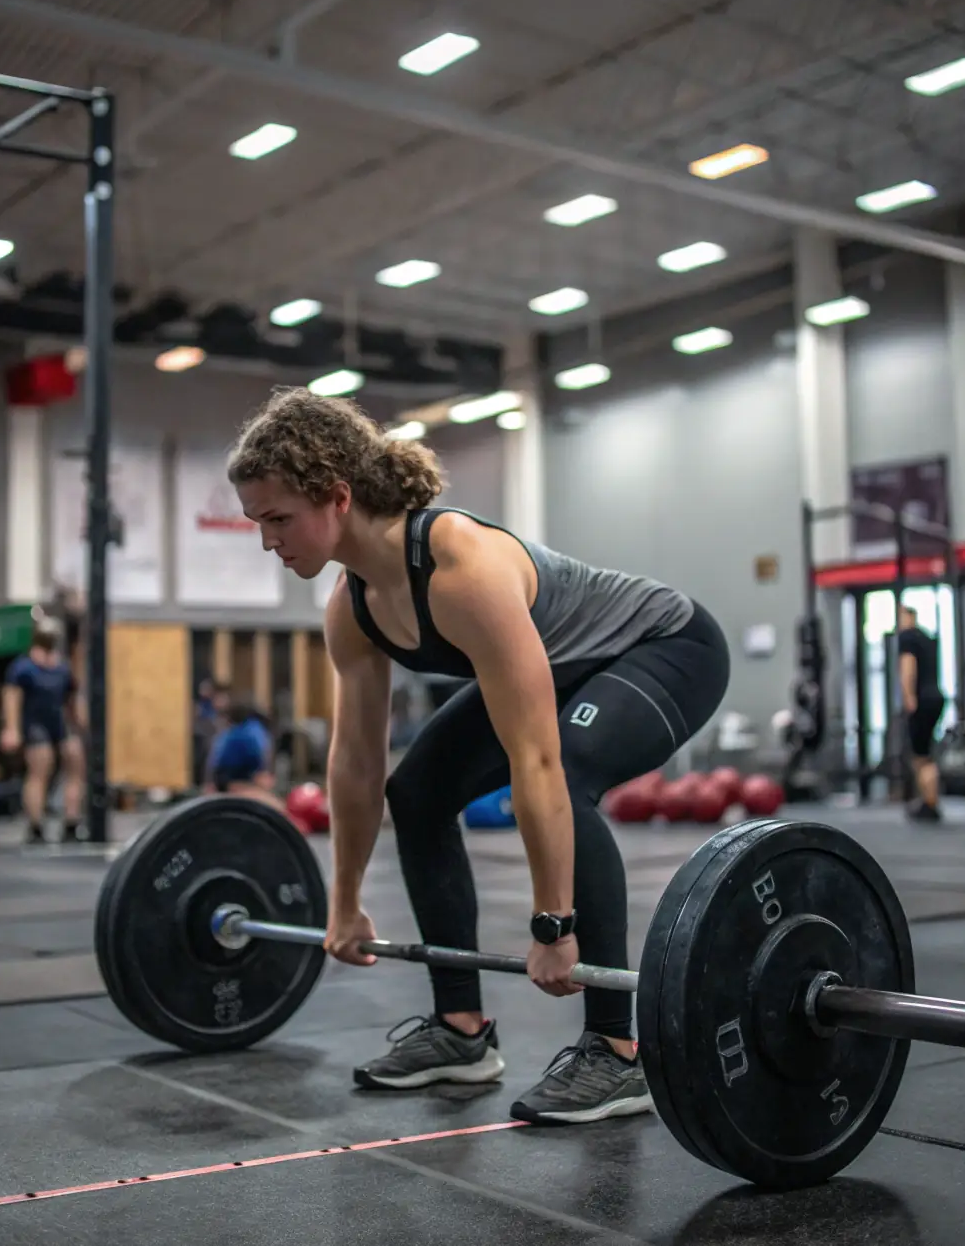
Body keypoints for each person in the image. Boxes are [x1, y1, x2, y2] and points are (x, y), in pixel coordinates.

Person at [227, 387, 730, 1125]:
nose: (270, 541)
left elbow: (540, 762)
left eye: (279, 518)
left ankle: (617, 1049)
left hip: (664, 648)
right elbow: (358, 765)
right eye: (257, 523)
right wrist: (344, 902)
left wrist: (553, 924)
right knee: (419, 789)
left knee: (574, 767)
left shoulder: (458, 566)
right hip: (565, 664)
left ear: (336, 496)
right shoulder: (352, 607)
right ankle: (461, 1032)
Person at [0, 622, 86, 844]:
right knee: (41, 765)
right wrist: (12, 729)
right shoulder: (23, 668)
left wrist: (79, 721)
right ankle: (36, 826)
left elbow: (71, 698)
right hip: (34, 722)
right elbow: (11, 697)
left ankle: (71, 823)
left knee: (75, 759)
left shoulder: (61, 667)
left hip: (58, 720)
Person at [897, 605, 945, 822]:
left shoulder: (907, 637)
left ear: (906, 617)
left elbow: (908, 668)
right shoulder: (926, 638)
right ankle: (930, 800)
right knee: (926, 754)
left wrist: (908, 698)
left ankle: (929, 802)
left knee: (920, 756)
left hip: (921, 700)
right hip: (936, 697)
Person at [203, 698, 286, 813]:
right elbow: (261, 769)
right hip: (236, 784)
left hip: (227, 782)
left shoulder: (234, 732)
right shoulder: (251, 732)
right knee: (278, 809)